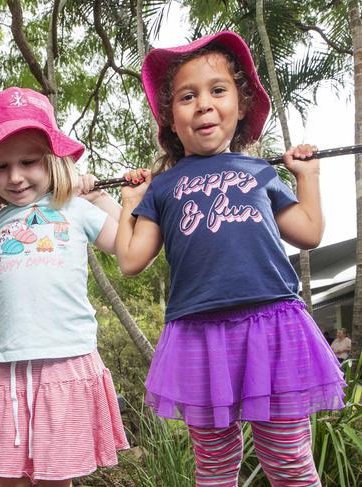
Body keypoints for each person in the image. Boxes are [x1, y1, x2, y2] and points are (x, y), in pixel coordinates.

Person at [116, 31, 345, 486]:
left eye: (217, 90)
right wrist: (130, 201)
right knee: (215, 466)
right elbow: (130, 259)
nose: (203, 103)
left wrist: (308, 175)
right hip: (197, 336)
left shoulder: (261, 173)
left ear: (239, 107)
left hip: (271, 327)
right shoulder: (162, 188)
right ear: (171, 120)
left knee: (287, 461)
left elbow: (310, 233)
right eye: (187, 96)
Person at [0, 87, 129, 486]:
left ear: (52, 161)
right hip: (11, 365)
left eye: (28, 161)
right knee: (7, 478)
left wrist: (102, 197)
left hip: (66, 359)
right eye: (0, 167)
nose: (14, 176)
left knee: (55, 477)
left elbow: (127, 246)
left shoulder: (75, 208)